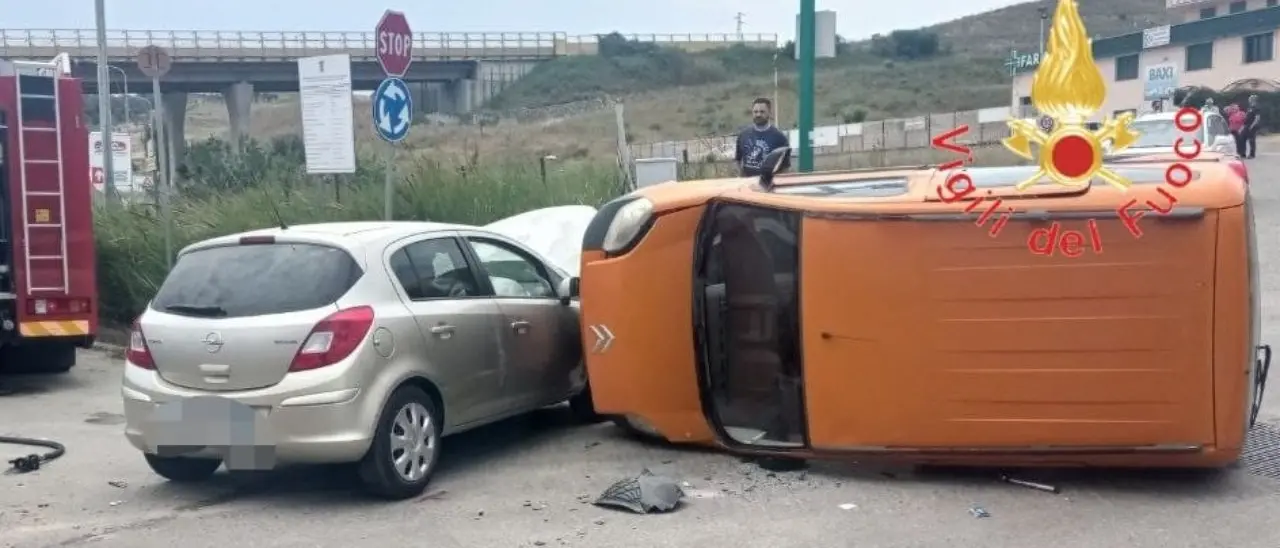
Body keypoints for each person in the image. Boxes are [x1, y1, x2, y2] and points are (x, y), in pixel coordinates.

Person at [735, 98, 791, 177]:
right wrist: (742, 177)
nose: (758, 115)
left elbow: (785, 167)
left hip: (770, 185)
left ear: (769, 113)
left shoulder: (780, 138)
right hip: (748, 184)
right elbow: (738, 160)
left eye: (762, 112)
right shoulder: (743, 135)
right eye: (755, 112)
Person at [1242, 94, 1262, 159]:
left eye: (1250, 99)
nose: (1249, 100)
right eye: (1249, 99)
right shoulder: (1249, 107)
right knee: (1243, 138)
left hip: (1252, 126)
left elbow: (1257, 118)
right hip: (1247, 125)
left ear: (1253, 100)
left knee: (1251, 140)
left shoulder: (1256, 108)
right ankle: (1243, 153)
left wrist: (1252, 126)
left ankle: (1252, 154)